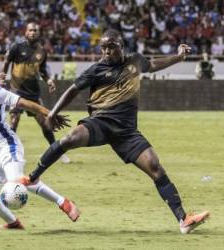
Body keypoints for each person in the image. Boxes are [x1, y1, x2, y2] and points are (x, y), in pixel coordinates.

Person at [23, 29, 209, 234]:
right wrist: (52, 114)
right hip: (100, 122)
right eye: (103, 48)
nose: (106, 52)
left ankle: (183, 220)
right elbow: (73, 89)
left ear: (121, 46)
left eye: (110, 47)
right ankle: (32, 178)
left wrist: (179, 57)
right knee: (69, 138)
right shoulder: (96, 69)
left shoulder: (135, 61)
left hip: (127, 132)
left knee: (156, 167)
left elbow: (155, 64)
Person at [0, 60, 80, 229]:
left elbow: (26, 103)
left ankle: (64, 202)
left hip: (7, 147)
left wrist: (51, 114)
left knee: (18, 183)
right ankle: (13, 223)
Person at [1, 22, 70, 163]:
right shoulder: (16, 47)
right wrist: (2, 75)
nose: (33, 32)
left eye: (35, 30)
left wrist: (49, 80)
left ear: (39, 33)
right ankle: (7, 153)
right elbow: (7, 60)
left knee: (45, 124)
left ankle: (56, 152)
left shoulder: (42, 51)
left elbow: (43, 70)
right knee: (13, 123)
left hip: (33, 94)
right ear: (26, 32)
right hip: (17, 92)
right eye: (30, 30)